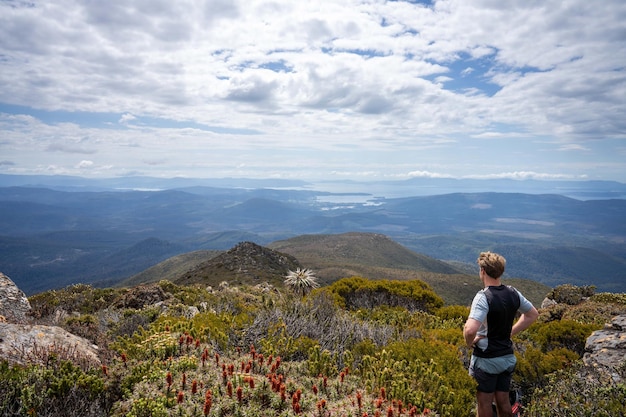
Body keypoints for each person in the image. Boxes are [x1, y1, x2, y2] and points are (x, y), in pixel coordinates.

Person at [463, 251, 539, 417]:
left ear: (482, 271)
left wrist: (470, 343)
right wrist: (510, 332)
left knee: (484, 404)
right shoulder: (513, 293)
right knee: (503, 400)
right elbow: (533, 314)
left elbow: (469, 329)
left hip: (486, 359)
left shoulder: (483, 297)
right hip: (507, 358)